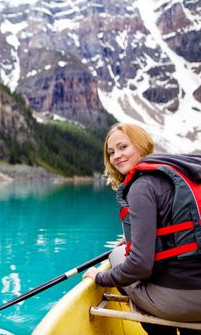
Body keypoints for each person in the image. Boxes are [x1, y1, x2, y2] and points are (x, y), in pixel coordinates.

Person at [83, 123, 201, 335]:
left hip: (185, 302)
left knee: (117, 255)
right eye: (111, 152)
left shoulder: (141, 186)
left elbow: (140, 266)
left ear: (142, 146)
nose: (116, 156)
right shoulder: (177, 175)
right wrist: (135, 238)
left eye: (123, 147)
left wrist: (100, 277)